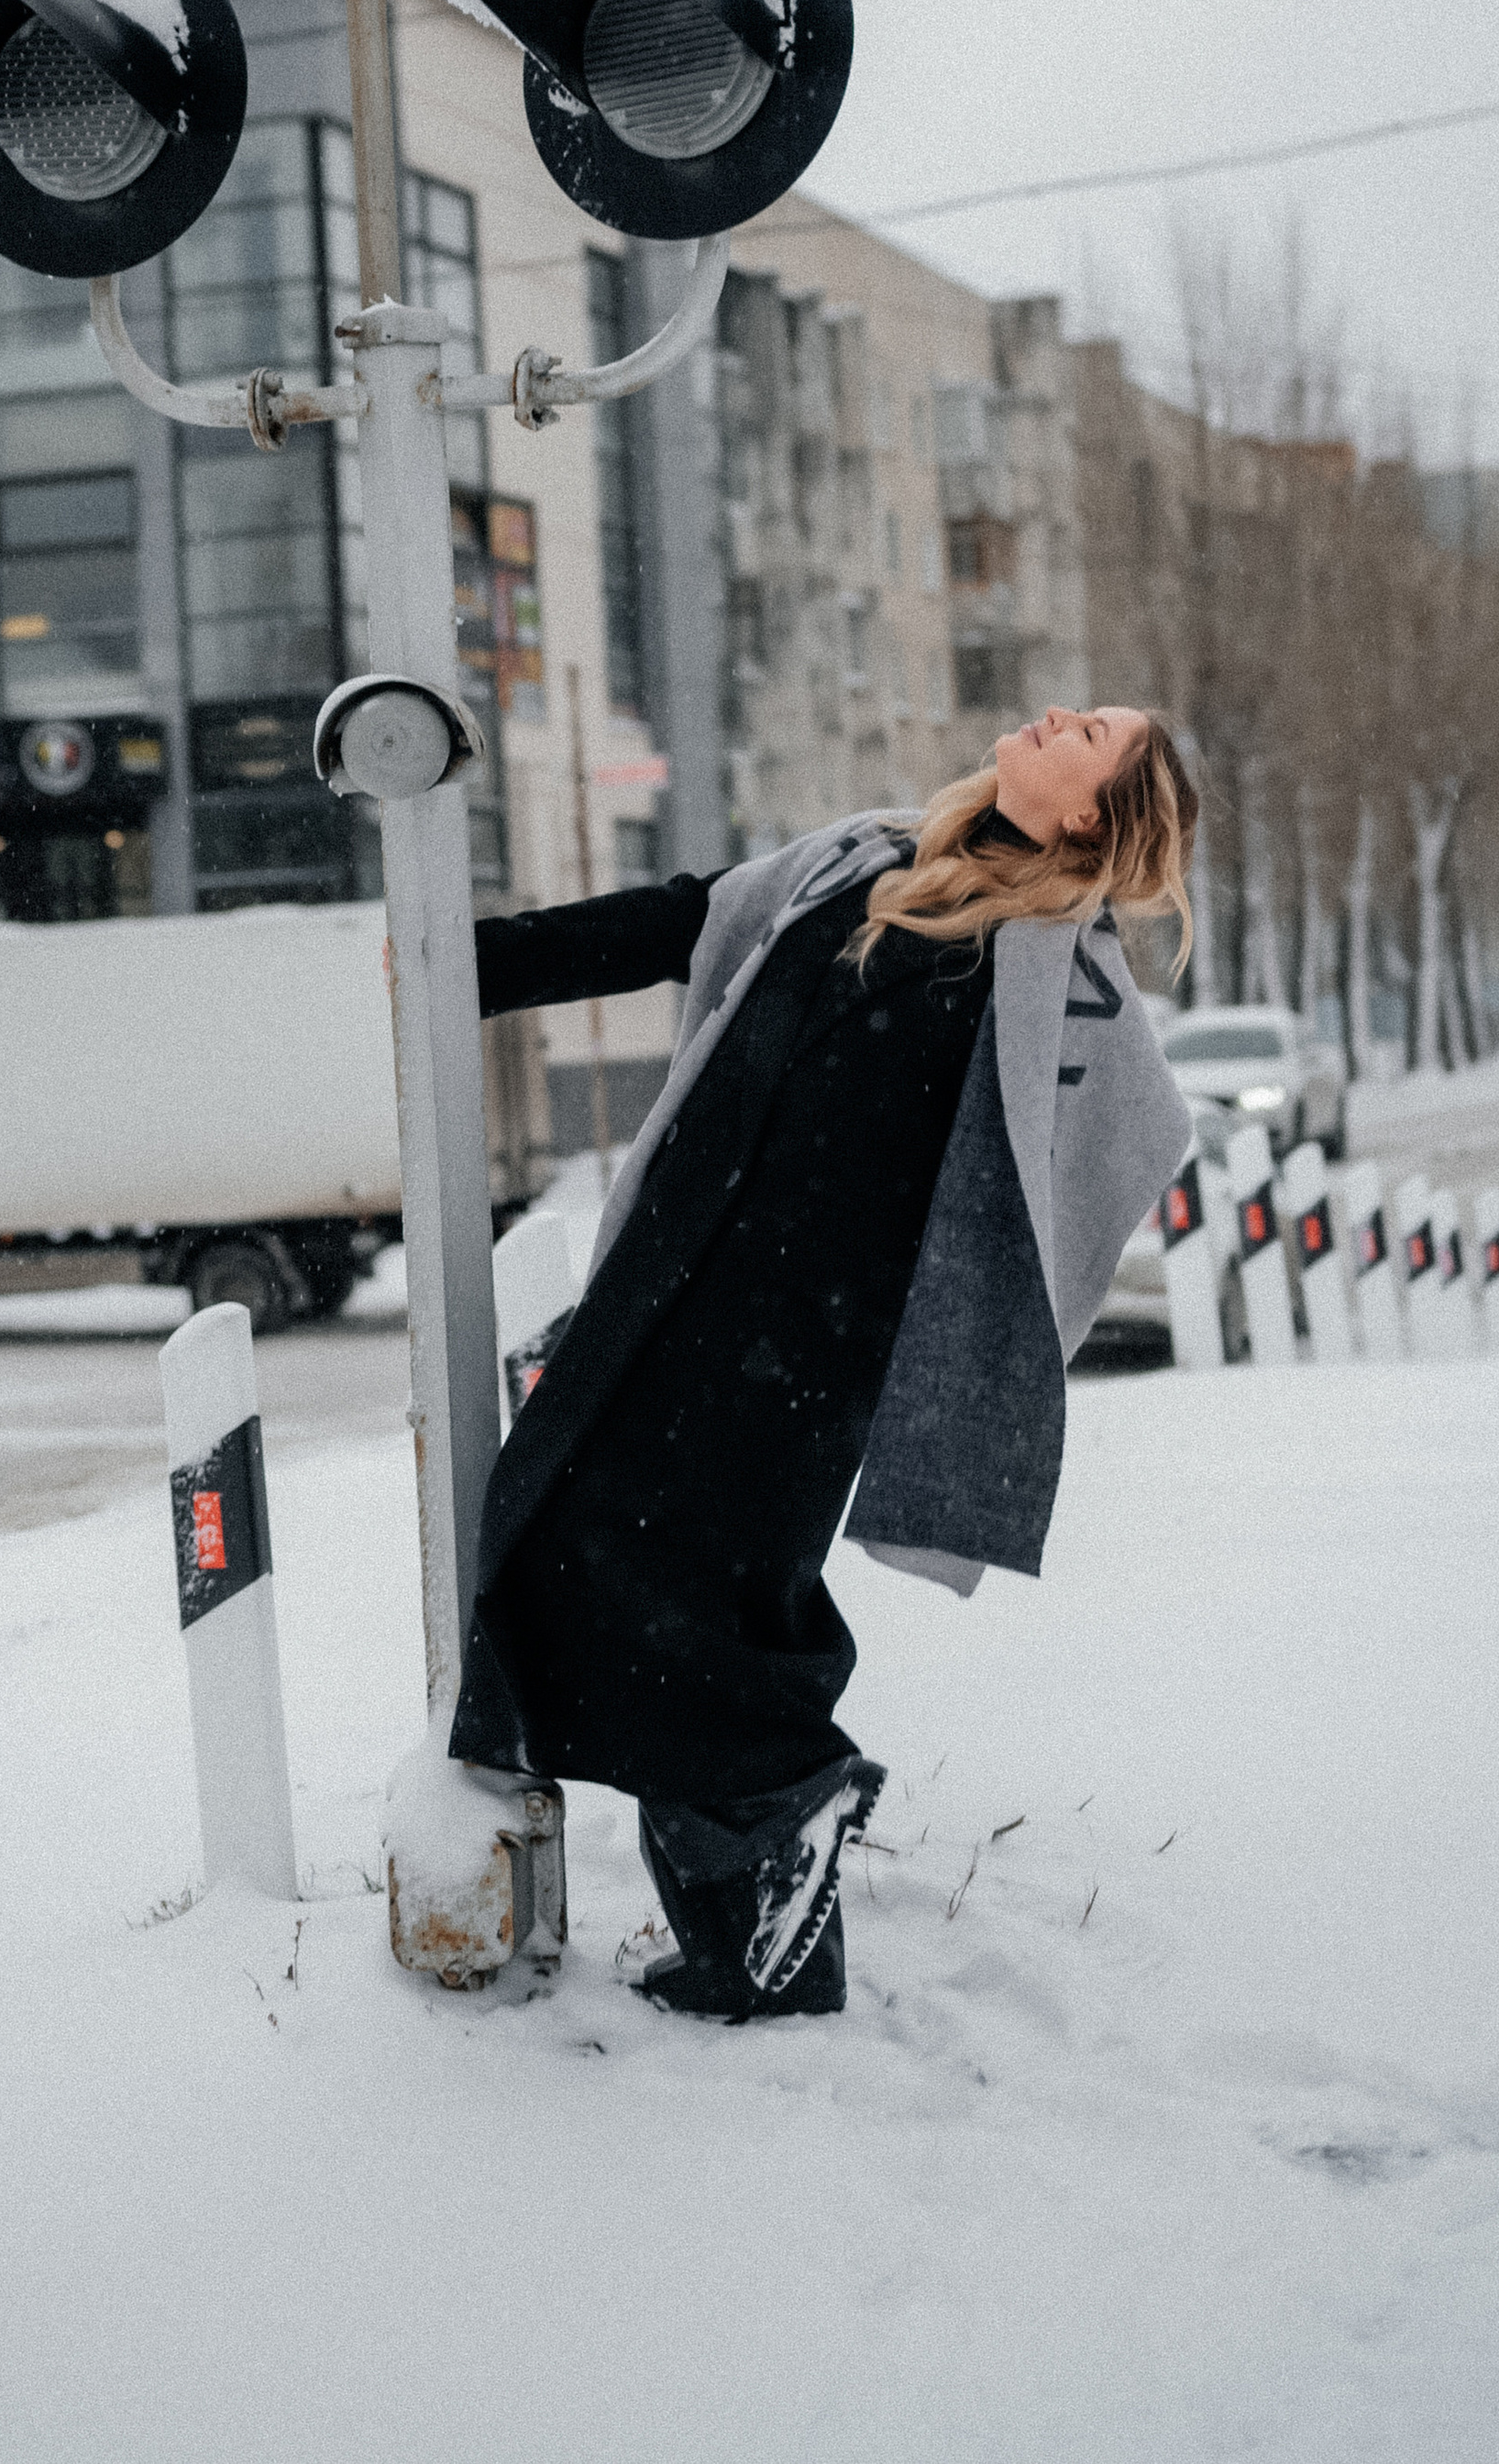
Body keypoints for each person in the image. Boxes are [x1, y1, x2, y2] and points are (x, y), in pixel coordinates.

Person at [461, 708, 1198, 2022]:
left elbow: (1128, 1141)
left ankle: (793, 1788)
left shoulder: (1056, 971)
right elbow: (685, 918)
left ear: (1093, 812)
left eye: (1089, 732)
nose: (1055, 715)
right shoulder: (870, 856)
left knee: (670, 1583)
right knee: (600, 1557)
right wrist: (471, 964)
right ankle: (758, 1957)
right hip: (683, 1264)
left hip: (807, 1333)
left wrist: (963, 1344)